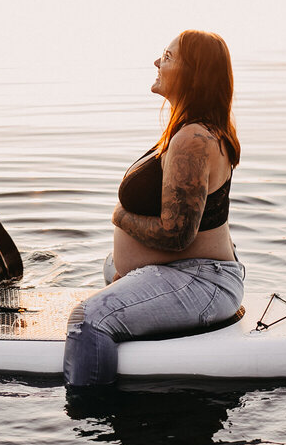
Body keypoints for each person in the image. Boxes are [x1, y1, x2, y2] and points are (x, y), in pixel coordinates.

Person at [64, 30, 245, 386]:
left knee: (88, 319)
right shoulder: (190, 131)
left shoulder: (192, 139)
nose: (156, 62)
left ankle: (93, 423)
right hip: (189, 272)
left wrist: (120, 218)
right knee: (110, 264)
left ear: (193, 74)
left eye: (167, 55)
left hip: (199, 279)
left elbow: (176, 235)